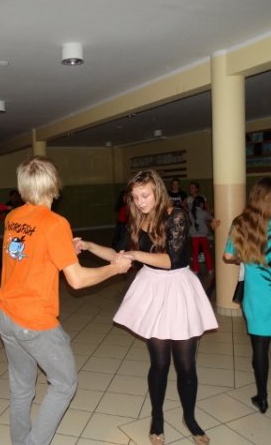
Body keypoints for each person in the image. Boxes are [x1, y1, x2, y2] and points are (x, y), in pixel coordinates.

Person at [0, 156, 131, 445]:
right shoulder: (55, 223)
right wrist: (114, 269)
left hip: (4, 315)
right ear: (54, 184)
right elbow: (77, 280)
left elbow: (26, 252)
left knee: (21, 387)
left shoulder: (13, 216)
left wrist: (63, 250)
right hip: (33, 321)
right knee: (64, 384)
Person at [76, 170, 217, 445]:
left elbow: (172, 260)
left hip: (178, 288)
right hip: (152, 289)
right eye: (135, 197)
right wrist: (89, 245)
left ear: (158, 191)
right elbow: (117, 255)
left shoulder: (176, 215)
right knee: (160, 363)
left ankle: (190, 418)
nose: (140, 202)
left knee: (186, 365)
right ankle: (157, 418)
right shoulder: (137, 219)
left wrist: (135, 254)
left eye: (145, 195)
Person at [224, 177, 271, 415]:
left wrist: (248, 257)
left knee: (259, 346)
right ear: (267, 196)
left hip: (256, 296)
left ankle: (263, 399)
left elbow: (228, 256)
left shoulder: (240, 223)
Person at [189, 195, 220, 276]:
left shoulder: (190, 212)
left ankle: (196, 270)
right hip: (203, 235)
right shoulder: (204, 213)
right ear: (201, 204)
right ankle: (210, 269)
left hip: (194, 236)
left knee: (195, 254)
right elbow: (212, 218)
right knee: (206, 252)